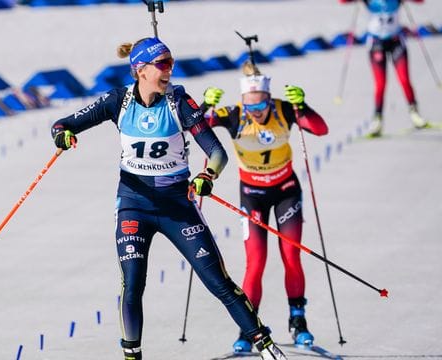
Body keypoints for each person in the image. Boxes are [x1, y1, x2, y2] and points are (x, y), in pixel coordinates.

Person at [50, 37, 287, 360]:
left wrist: (207, 176)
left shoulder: (179, 101)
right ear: (140, 70)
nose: (169, 70)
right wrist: (62, 135)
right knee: (132, 284)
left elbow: (216, 152)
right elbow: (63, 124)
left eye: (171, 63)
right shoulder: (117, 101)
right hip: (134, 204)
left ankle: (265, 344)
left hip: (177, 206)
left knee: (217, 280)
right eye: (162, 64)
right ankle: (132, 355)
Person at [200, 61, 329, 352]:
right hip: (252, 195)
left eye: (261, 107)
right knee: (255, 263)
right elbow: (194, 127)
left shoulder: (284, 109)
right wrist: (203, 107)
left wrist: (303, 107)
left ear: (269, 100)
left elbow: (320, 129)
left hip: (285, 191)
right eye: (250, 107)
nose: (256, 113)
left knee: (291, 256)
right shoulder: (233, 115)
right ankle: (248, 328)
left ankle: (298, 321)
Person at [340, 0, 428, 137]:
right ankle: (377, 120)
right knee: (380, 84)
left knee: (404, 79)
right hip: (376, 43)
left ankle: (415, 114)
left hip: (396, 41)